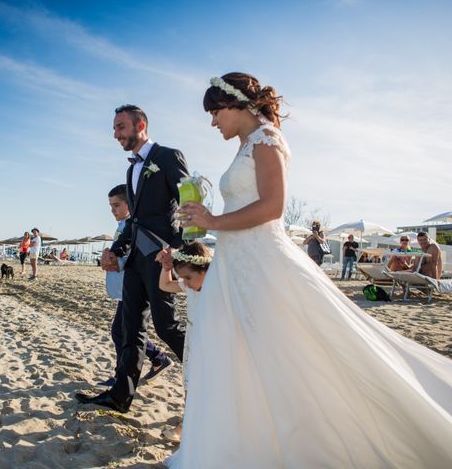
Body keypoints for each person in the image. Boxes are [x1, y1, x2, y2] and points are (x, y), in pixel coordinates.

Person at [167, 73, 452, 467]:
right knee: (237, 354)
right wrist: (205, 218)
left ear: (237, 105)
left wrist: (213, 222)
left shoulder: (267, 139)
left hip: (263, 264)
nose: (213, 122)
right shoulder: (245, 144)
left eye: (215, 111)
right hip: (235, 264)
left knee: (288, 354)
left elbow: (273, 208)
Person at [76, 104, 189, 413]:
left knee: (167, 327)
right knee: (130, 328)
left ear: (140, 125)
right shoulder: (131, 169)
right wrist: (118, 250)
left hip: (159, 258)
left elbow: (189, 204)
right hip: (136, 260)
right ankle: (120, 395)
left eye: (120, 127)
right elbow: (135, 220)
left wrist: (176, 249)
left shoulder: (168, 157)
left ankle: (208, 376)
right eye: (114, 128)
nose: (115, 134)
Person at [100, 184, 172, 387]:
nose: (113, 210)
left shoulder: (134, 226)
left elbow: (140, 256)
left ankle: (123, 374)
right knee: (125, 331)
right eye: (110, 206)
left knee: (121, 331)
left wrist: (118, 262)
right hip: (125, 288)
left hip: (134, 287)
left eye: (116, 205)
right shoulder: (122, 225)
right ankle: (157, 358)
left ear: (130, 204)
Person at [155, 241, 212, 443]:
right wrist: (166, 268)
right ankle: (186, 424)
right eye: (182, 278)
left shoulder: (216, 288)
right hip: (193, 341)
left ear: (205, 269)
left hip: (212, 343)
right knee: (189, 383)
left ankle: (196, 425)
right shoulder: (190, 287)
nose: (185, 283)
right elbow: (165, 285)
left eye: (188, 277)